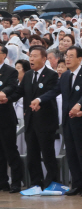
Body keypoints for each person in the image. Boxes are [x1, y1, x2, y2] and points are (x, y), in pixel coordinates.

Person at [34, 45, 82, 197]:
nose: (67, 59)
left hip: (81, 121)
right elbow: (54, 91)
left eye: (70, 56)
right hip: (67, 122)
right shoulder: (66, 76)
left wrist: (79, 104)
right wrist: (39, 99)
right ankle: (77, 184)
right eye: (66, 56)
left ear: (79, 59)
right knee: (71, 154)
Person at [3, 46, 59, 192]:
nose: (31, 59)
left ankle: (52, 182)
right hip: (30, 121)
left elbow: (52, 93)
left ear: (44, 58)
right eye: (30, 56)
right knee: (32, 155)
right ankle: (35, 183)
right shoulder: (28, 75)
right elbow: (19, 92)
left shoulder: (51, 75)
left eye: (35, 56)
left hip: (46, 121)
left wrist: (40, 100)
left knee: (47, 154)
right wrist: (7, 99)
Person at [0, 45, 24, 193]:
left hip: (5, 117)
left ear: (3, 55)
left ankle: (16, 181)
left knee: (10, 150)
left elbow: (11, 87)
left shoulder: (10, 71)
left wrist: (2, 93)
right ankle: (2, 181)